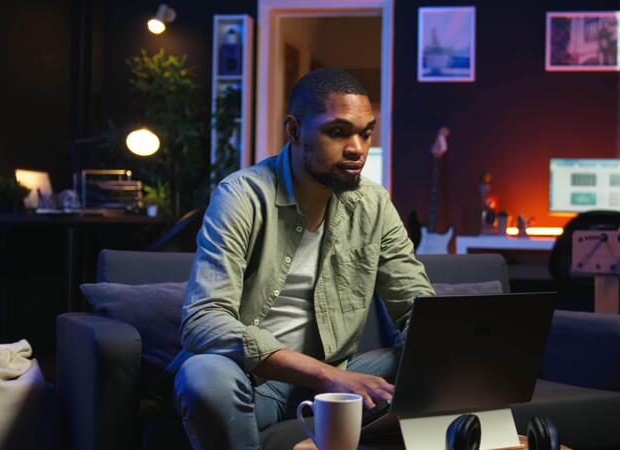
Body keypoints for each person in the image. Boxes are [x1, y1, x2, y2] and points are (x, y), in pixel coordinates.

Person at [174, 69, 434, 450]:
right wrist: (324, 376)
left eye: (365, 132)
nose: (357, 148)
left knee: (427, 358)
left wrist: (442, 352)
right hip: (252, 381)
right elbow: (203, 320)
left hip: (338, 376)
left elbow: (417, 307)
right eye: (338, 132)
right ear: (294, 131)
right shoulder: (242, 196)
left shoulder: (374, 203)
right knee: (202, 376)